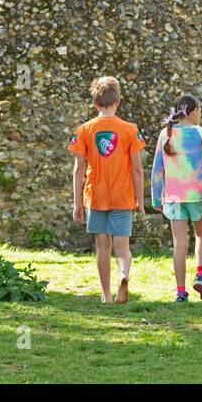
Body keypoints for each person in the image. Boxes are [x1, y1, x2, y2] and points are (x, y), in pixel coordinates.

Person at [68, 76, 146, 303]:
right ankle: (124, 273)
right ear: (118, 101)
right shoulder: (130, 130)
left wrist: (77, 203)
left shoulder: (84, 130)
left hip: (95, 196)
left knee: (102, 246)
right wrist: (139, 200)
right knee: (122, 247)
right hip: (123, 196)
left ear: (94, 104)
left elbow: (78, 169)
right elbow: (138, 170)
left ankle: (106, 295)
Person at [151, 94, 202, 302]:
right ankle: (200, 275)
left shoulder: (166, 134)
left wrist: (156, 198)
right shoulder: (201, 133)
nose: (200, 115)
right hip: (197, 196)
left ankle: (180, 292)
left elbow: (157, 169)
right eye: (200, 111)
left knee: (179, 243)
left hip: (173, 198)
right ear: (192, 112)